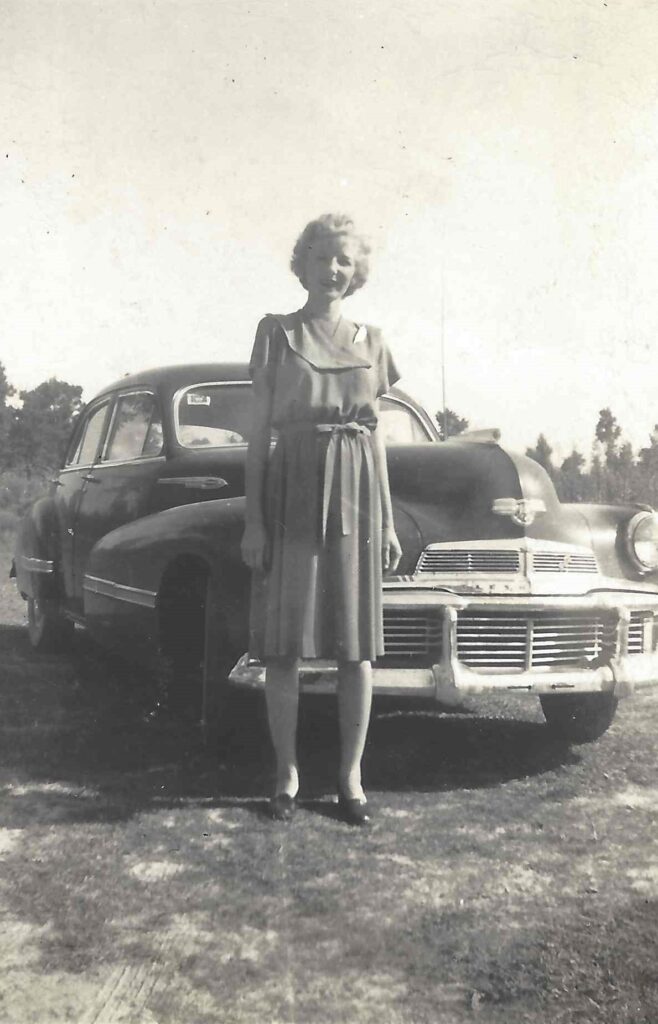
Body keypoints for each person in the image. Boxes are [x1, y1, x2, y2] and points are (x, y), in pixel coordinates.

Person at [241, 213, 401, 826]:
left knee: (355, 647)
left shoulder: (374, 339)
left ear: (356, 269)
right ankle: (285, 773)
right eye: (321, 258)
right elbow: (258, 435)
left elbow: (376, 436)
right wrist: (254, 520)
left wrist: (384, 520)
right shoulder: (276, 332)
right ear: (302, 263)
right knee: (285, 646)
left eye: (343, 260)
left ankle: (350, 778)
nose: (332, 270)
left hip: (358, 491)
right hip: (292, 487)